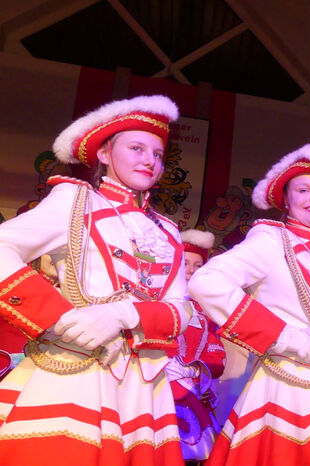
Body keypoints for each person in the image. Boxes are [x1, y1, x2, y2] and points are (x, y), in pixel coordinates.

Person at [0, 95, 188, 465]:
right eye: (136, 148)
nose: (149, 160)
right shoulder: (74, 201)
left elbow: (180, 311)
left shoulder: (168, 231)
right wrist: (58, 317)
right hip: (77, 369)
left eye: (157, 154)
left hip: (144, 388)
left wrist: (124, 314)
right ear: (104, 153)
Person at [188, 141, 310, 466]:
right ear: (286, 199)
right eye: (303, 190)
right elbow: (206, 282)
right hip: (287, 387)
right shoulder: (270, 241)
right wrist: (283, 338)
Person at [166, 229, 226, 464]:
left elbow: (215, 353)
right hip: (161, 387)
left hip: (194, 389)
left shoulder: (206, 309)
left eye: (198, 265)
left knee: (197, 452)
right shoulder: (159, 301)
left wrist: (201, 374)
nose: (191, 270)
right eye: (185, 263)